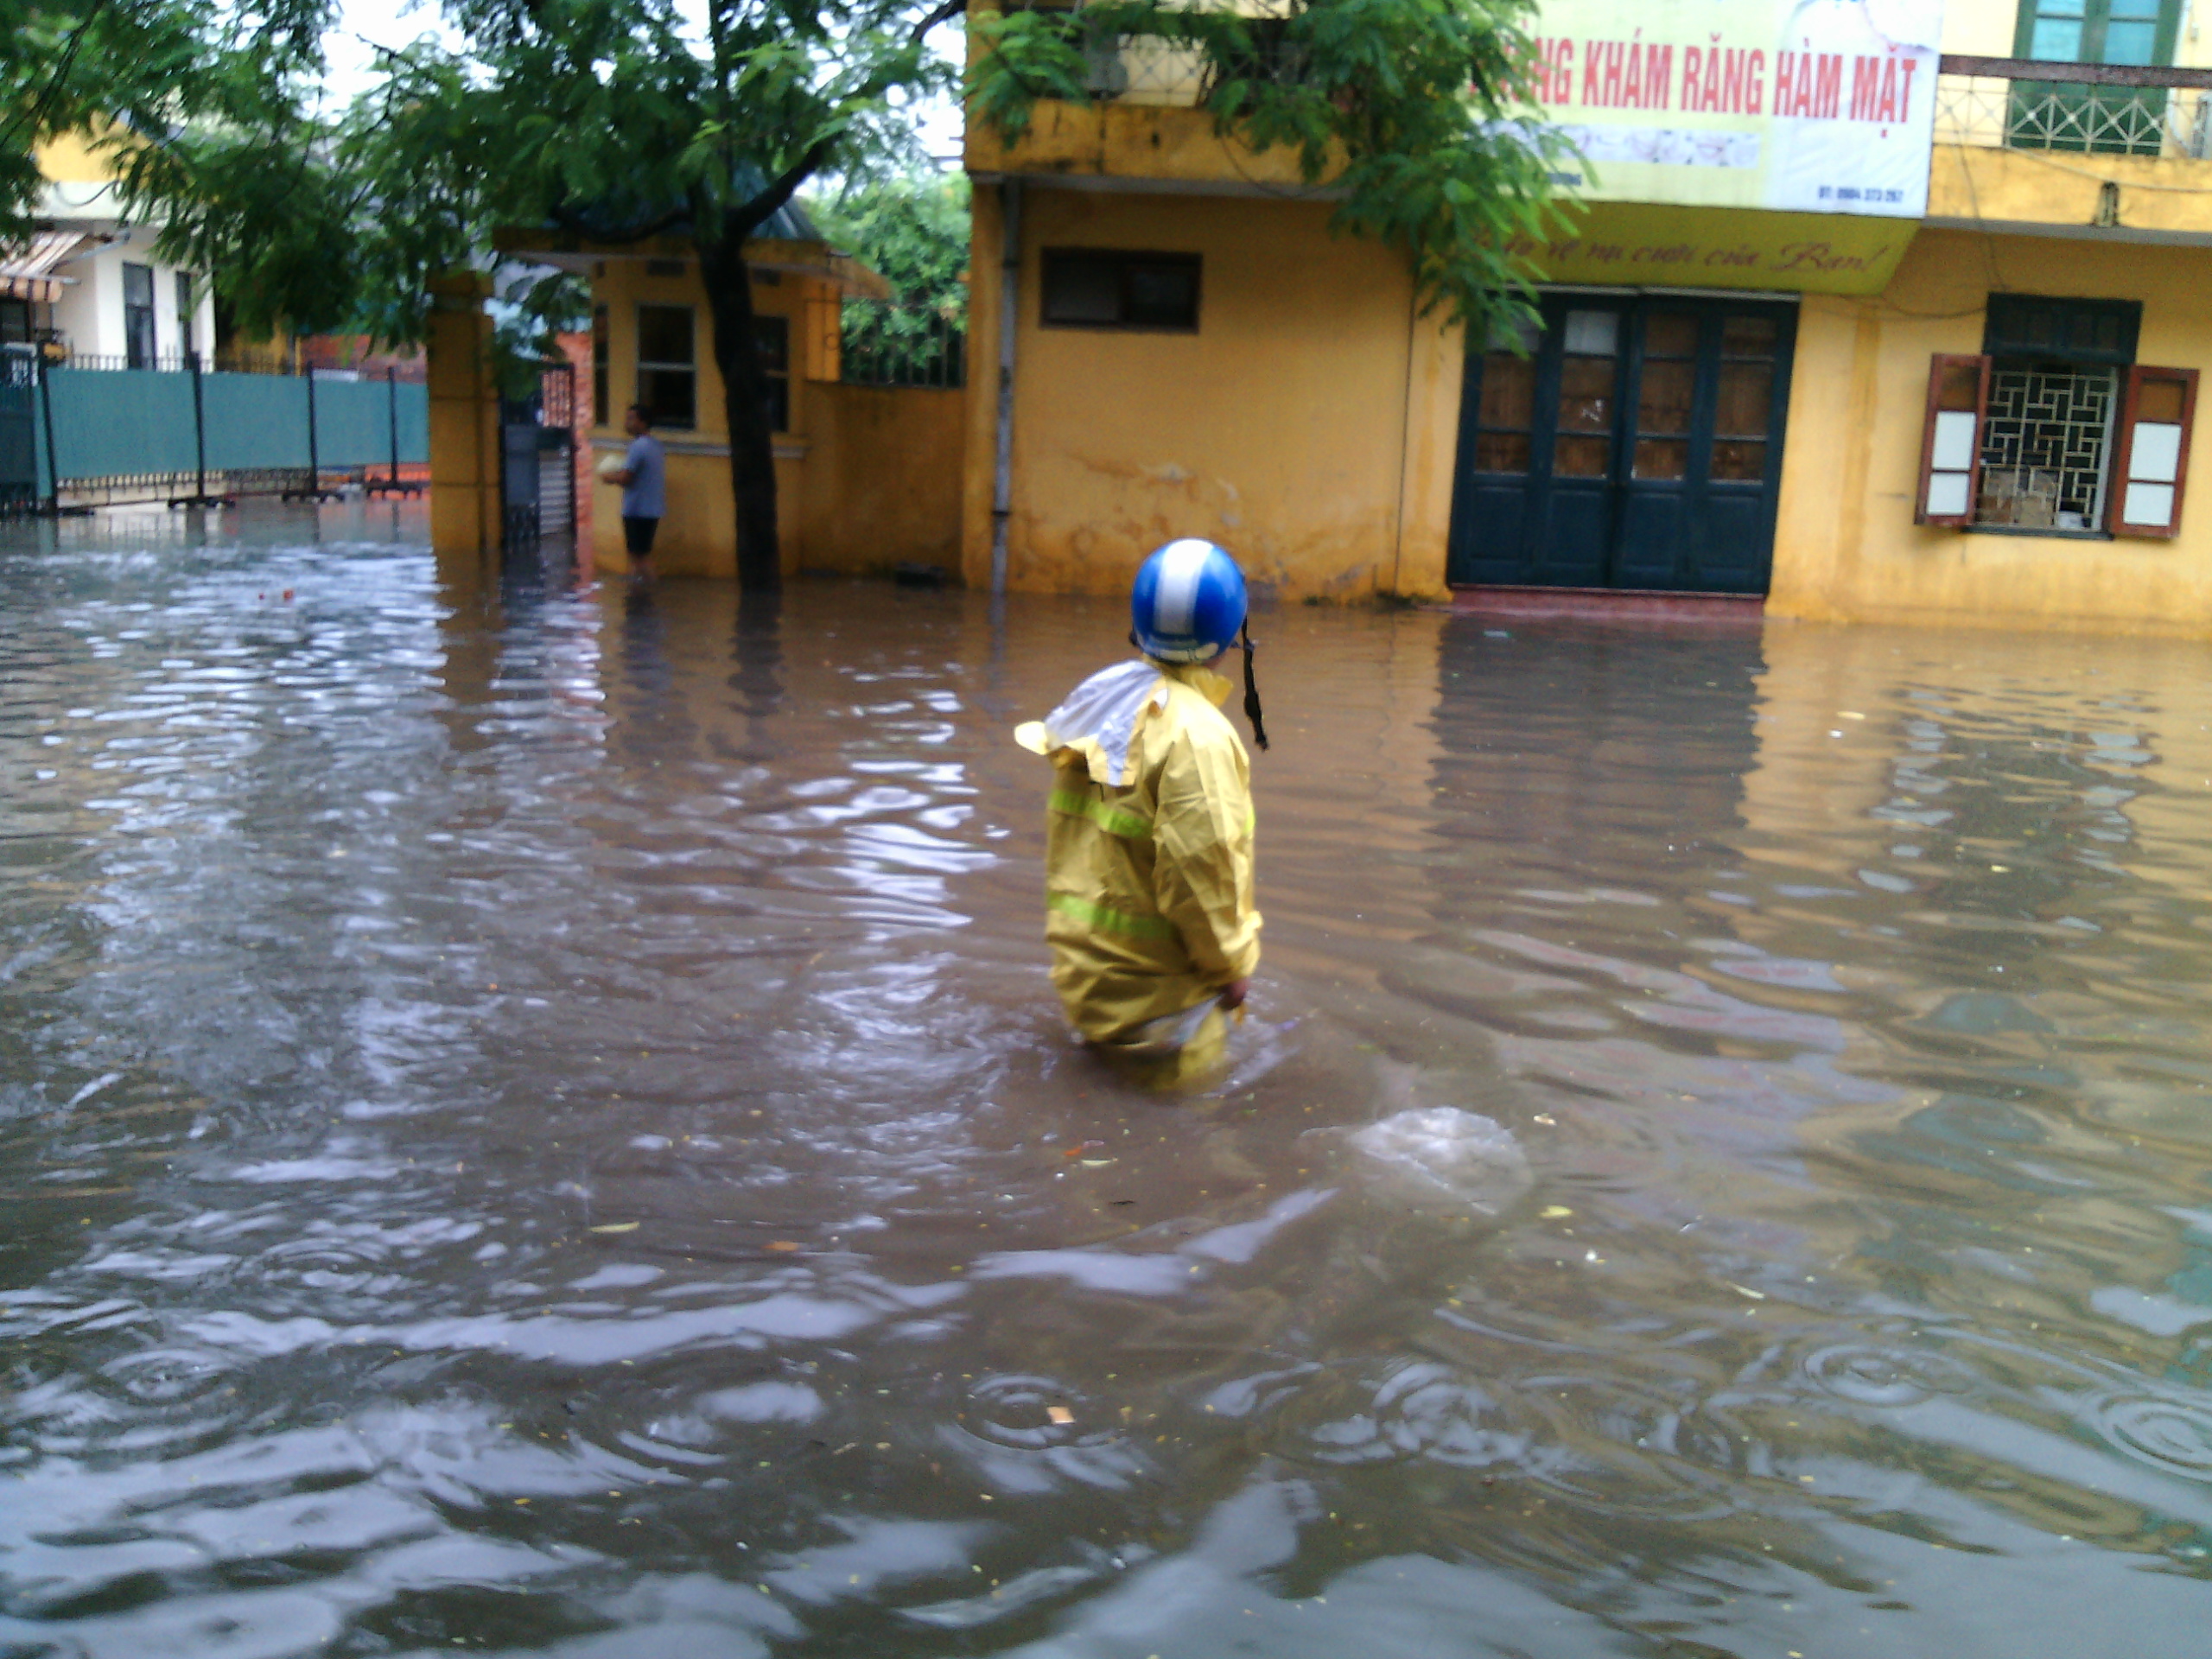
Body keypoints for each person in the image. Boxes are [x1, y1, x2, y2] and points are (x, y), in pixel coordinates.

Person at [1014, 538, 1268, 1083]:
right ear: (1230, 635)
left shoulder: (1099, 703)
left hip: (1092, 991)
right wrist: (1232, 969)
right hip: (1167, 1009)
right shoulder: (1198, 739)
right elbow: (1202, 874)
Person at [601, 404, 666, 583]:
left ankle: (646, 595)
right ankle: (639, 596)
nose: (627, 423)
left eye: (631, 419)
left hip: (637, 510)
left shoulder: (637, 447)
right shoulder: (656, 445)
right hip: (652, 509)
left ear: (643, 422)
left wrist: (609, 477)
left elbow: (625, 478)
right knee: (641, 555)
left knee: (639, 557)